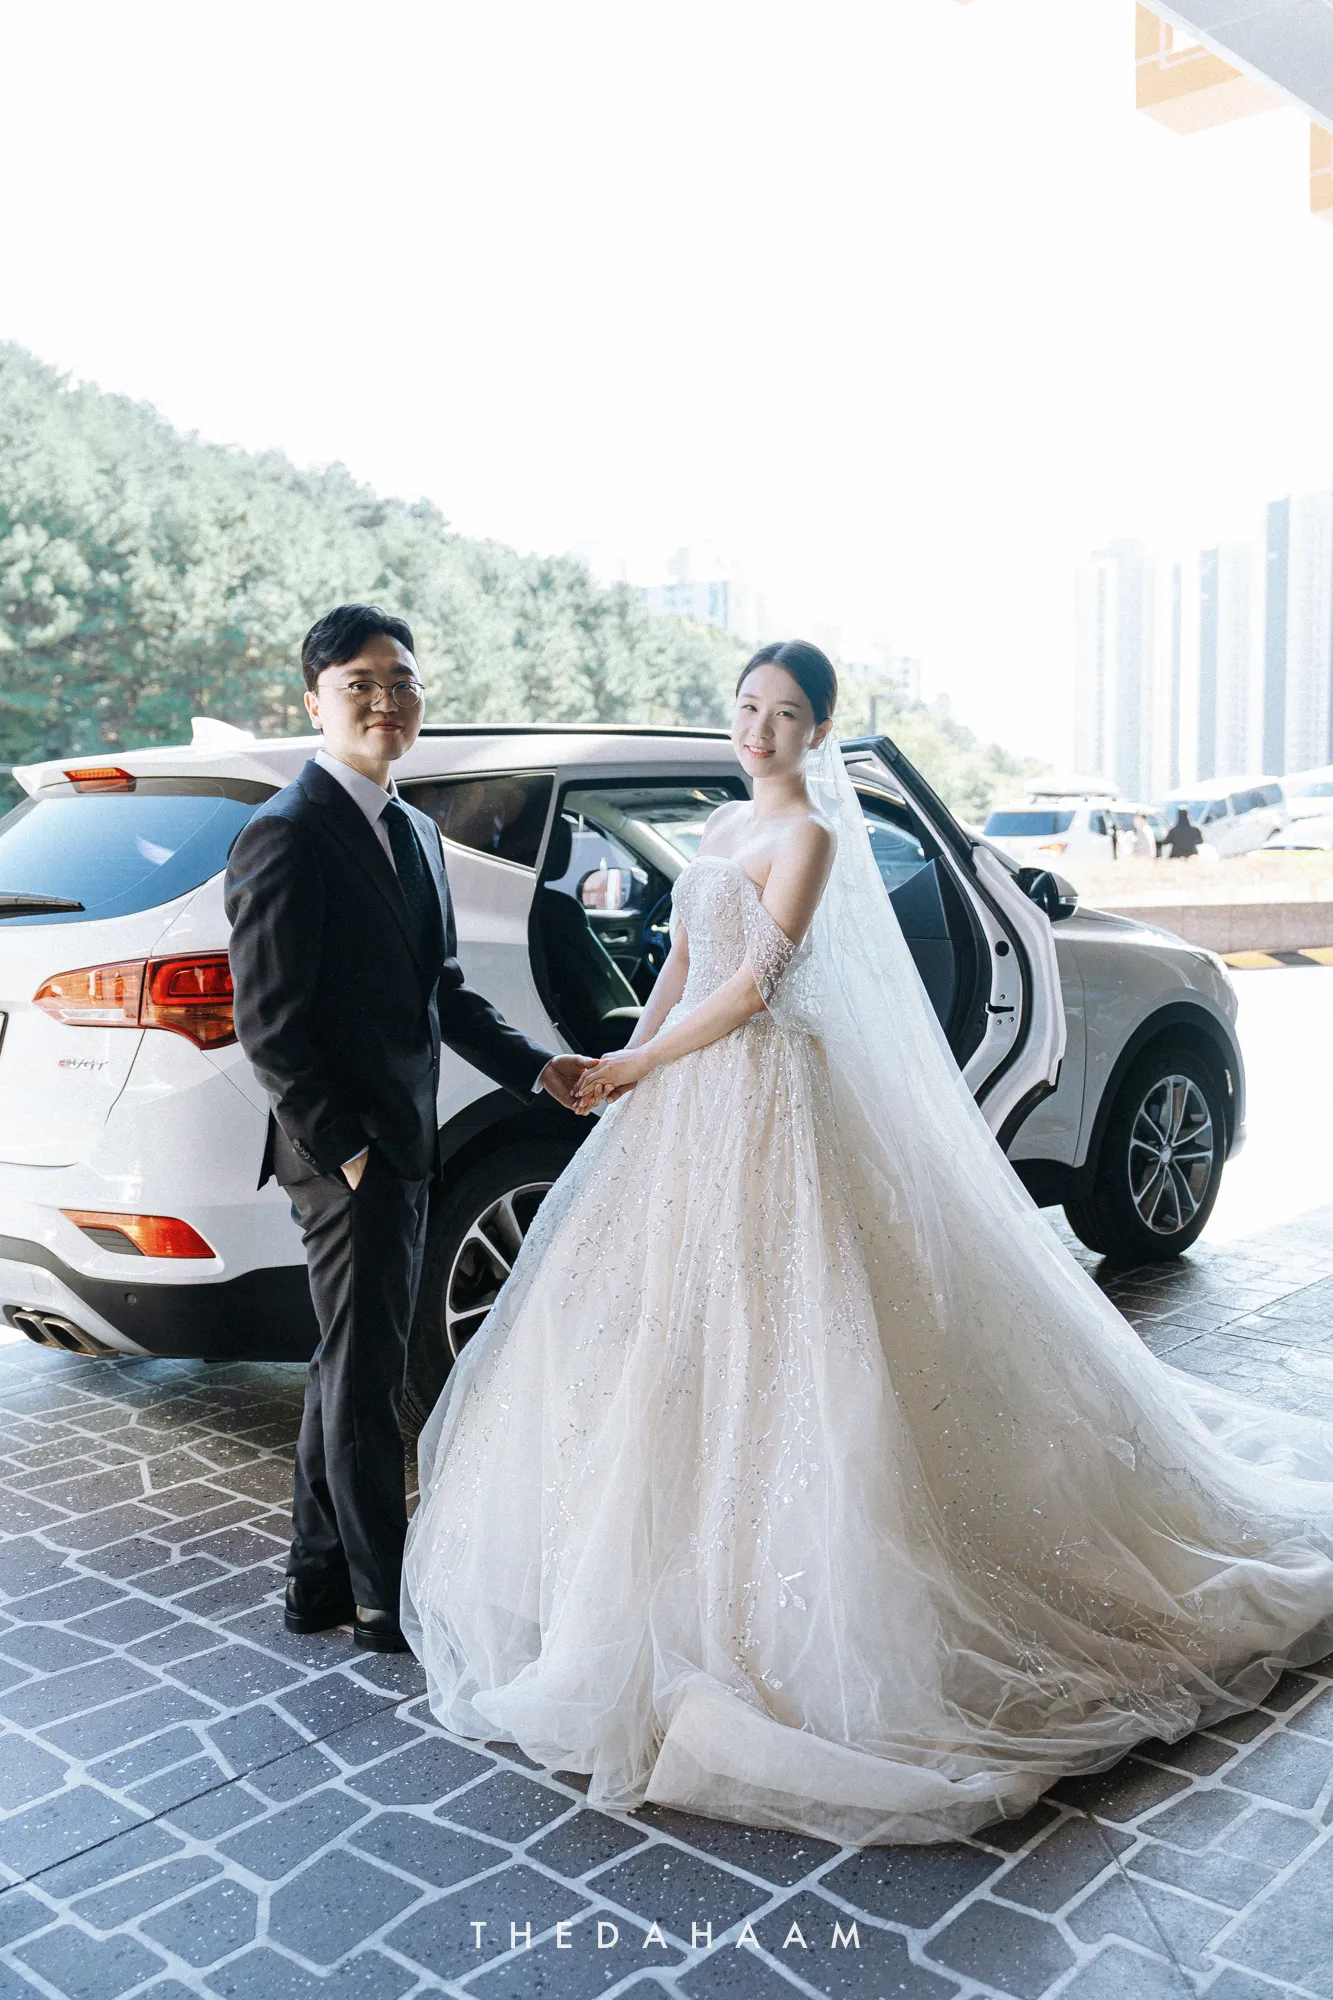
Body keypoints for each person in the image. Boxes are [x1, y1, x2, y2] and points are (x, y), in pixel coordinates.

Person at [403, 640, 1333, 1844]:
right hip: (683, 1102)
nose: (759, 729)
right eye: (748, 706)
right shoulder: (721, 827)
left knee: (791, 1324)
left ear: (818, 731)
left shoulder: (809, 838)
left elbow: (753, 987)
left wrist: (641, 1062)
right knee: (667, 1328)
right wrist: (621, 1062)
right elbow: (682, 961)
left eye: (785, 713)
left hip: (766, 1097)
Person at [225, 604, 588, 1653]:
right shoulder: (287, 830)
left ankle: (316, 1581)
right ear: (315, 703)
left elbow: (442, 990)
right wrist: (346, 1151)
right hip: (346, 1152)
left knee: (348, 1361)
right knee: (370, 1376)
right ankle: (384, 1597)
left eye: (401, 682)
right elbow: (271, 1026)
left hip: (403, 1137)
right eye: (359, 685)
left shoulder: (417, 830)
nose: (385, 701)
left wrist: (538, 1068)